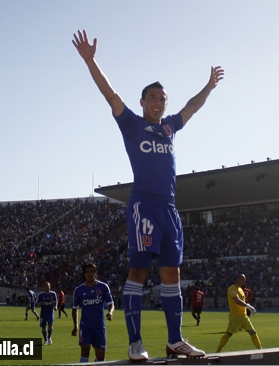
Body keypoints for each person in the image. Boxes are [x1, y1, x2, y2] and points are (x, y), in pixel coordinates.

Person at [73, 29, 223, 361]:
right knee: (138, 273)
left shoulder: (170, 127)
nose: (158, 103)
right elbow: (110, 94)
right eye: (152, 98)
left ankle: (174, 340)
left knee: (173, 273)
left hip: (169, 209)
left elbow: (193, 107)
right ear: (143, 102)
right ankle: (135, 343)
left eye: (162, 99)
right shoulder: (131, 124)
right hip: (144, 206)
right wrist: (91, 61)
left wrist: (209, 87)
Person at [72, 262, 114, 362]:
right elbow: (74, 309)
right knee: (85, 350)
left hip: (99, 326)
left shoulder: (103, 287)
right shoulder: (79, 290)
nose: (90, 274)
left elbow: (111, 304)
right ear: (84, 274)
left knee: (101, 357)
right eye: (87, 272)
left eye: (92, 272)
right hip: (85, 326)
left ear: (95, 273)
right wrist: (76, 326)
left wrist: (111, 312)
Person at [215, 274, 262, 353]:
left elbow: (242, 301)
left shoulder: (240, 289)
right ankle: (218, 350)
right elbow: (236, 300)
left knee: (253, 332)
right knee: (229, 334)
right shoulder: (232, 288)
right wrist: (247, 306)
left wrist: (247, 306)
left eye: (245, 280)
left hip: (244, 316)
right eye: (243, 279)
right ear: (238, 279)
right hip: (235, 316)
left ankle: (260, 350)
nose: (244, 281)